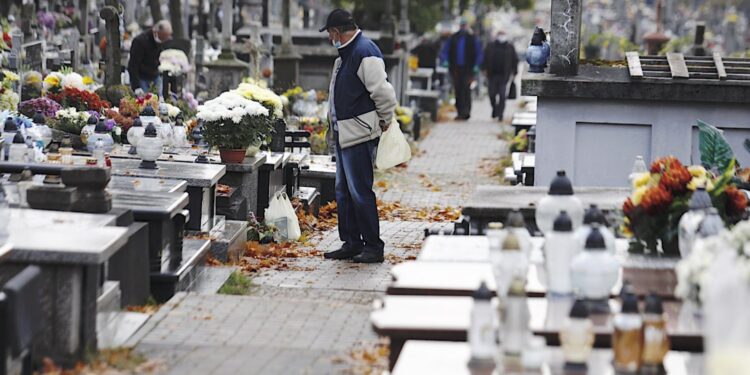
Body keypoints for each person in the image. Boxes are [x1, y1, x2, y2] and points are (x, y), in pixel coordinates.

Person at [319, 9, 397, 263]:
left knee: (360, 191)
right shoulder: (346, 54)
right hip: (346, 133)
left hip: (359, 134)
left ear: (336, 32)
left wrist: (385, 121)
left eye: (331, 34)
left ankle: (373, 246)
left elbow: (383, 93)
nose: (331, 38)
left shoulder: (364, 51)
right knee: (343, 191)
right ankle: (351, 242)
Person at [440, 18, 483, 120]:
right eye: (462, 25)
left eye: (465, 25)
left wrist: (477, 65)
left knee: (466, 90)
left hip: (468, 69)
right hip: (455, 69)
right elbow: (445, 51)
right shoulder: (453, 38)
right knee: (458, 90)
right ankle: (460, 112)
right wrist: (445, 60)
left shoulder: (472, 38)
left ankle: (466, 111)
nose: (463, 27)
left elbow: (479, 53)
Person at [127, 20, 172, 95]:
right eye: (163, 37)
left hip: (155, 76)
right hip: (142, 78)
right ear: (157, 32)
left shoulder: (161, 41)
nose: (164, 40)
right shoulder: (140, 41)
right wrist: (136, 86)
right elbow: (133, 65)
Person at [482, 30, 518, 120]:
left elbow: (515, 60)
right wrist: (483, 69)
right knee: (491, 94)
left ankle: (500, 114)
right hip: (492, 75)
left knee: (502, 95)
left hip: (504, 76)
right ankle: (495, 109)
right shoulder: (490, 46)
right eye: (500, 35)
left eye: (503, 34)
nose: (501, 37)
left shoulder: (510, 47)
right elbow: (484, 58)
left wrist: (515, 72)